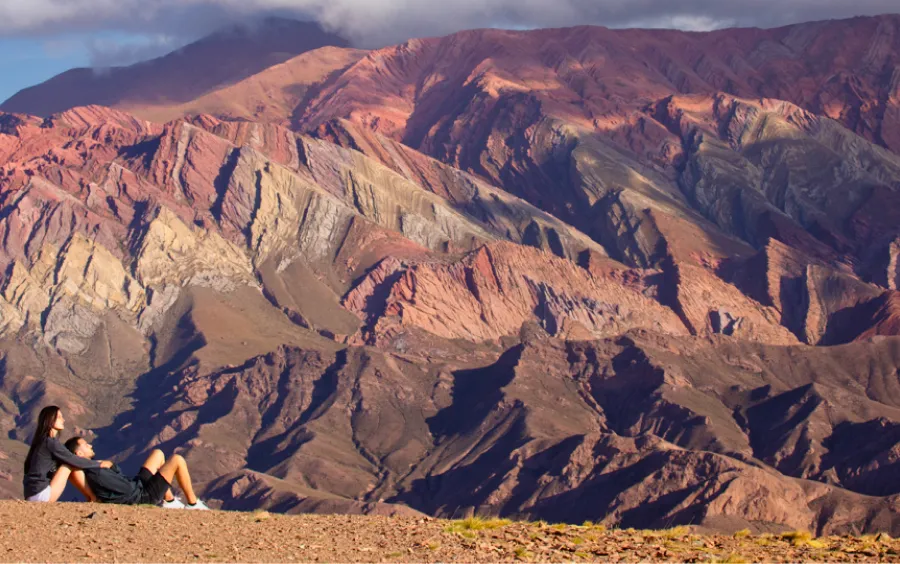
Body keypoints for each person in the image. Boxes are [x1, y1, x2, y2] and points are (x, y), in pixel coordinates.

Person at [64, 436, 209, 510]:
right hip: (142, 496)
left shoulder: (96, 466)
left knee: (157, 454)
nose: (90, 445)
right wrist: (139, 483)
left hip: (137, 486)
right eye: (85, 445)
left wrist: (112, 466)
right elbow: (125, 490)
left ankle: (169, 502)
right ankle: (193, 504)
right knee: (177, 460)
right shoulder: (97, 473)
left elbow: (120, 479)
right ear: (79, 453)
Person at [23, 405, 113, 502]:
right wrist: (100, 464)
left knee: (68, 464)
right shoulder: (50, 442)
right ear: (50, 420)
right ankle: (93, 498)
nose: (63, 420)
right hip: (40, 495)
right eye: (59, 417)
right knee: (68, 465)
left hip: (32, 494)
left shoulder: (42, 441)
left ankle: (91, 497)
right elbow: (74, 460)